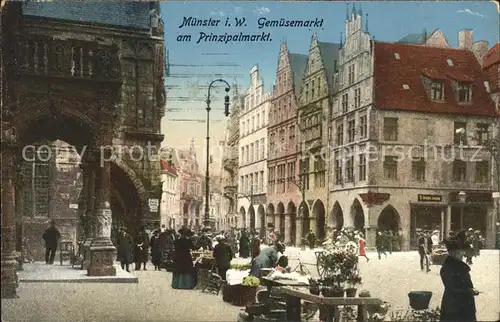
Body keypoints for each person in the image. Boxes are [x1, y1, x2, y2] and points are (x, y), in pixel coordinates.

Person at [440, 230, 479, 322]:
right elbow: (452, 286)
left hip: (464, 305)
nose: (463, 254)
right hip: (454, 307)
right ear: (452, 252)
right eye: (460, 252)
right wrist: (469, 290)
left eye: (462, 251)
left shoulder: (458, 265)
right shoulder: (448, 267)